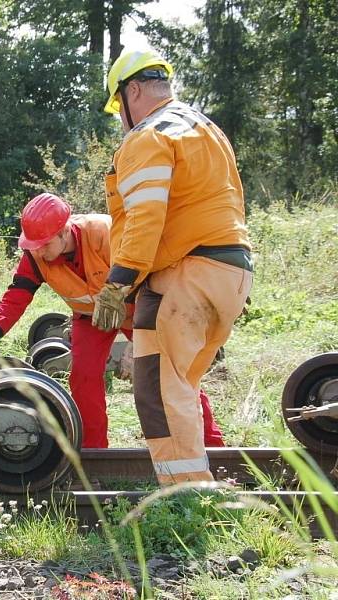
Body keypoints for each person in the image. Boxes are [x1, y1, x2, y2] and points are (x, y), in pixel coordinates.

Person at [93, 48, 252, 485]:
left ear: (134, 91)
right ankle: (193, 486)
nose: (120, 121)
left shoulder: (148, 135)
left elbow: (147, 214)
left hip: (186, 272)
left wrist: (118, 282)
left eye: (118, 109)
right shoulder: (205, 128)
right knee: (179, 384)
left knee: (161, 390)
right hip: (229, 269)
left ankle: (186, 498)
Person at [0, 193, 224, 449]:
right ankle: (94, 453)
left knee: (174, 374)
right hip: (90, 318)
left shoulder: (106, 233)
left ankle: (213, 446)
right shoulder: (35, 253)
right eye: (34, 246)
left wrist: (139, 343)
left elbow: (152, 281)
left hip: (141, 310)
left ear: (65, 232)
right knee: (83, 377)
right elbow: (16, 296)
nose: (38, 252)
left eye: (44, 245)